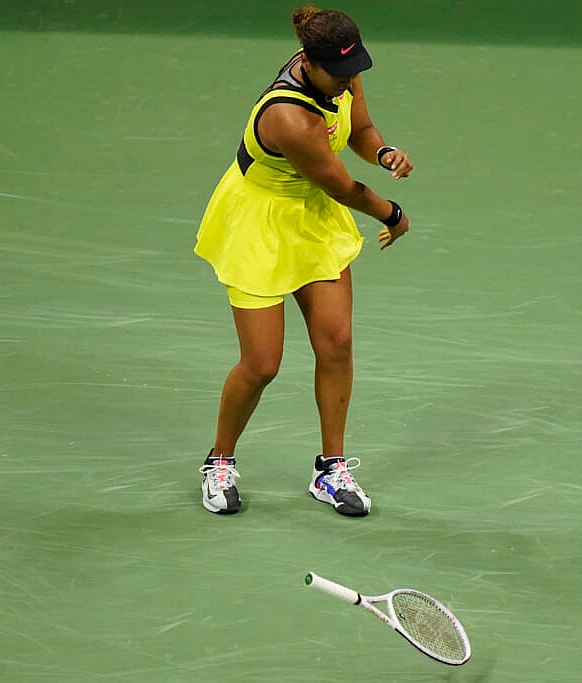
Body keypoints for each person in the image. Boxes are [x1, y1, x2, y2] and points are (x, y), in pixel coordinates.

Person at [193, 4, 412, 517]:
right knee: (262, 363)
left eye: (353, 71)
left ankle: (330, 468)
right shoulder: (289, 116)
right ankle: (218, 461)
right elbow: (340, 186)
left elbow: (360, 129)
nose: (348, 83)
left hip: (313, 222)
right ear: (309, 65)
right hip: (260, 226)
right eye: (339, 76)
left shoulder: (342, 73)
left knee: (337, 343)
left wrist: (383, 152)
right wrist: (393, 213)